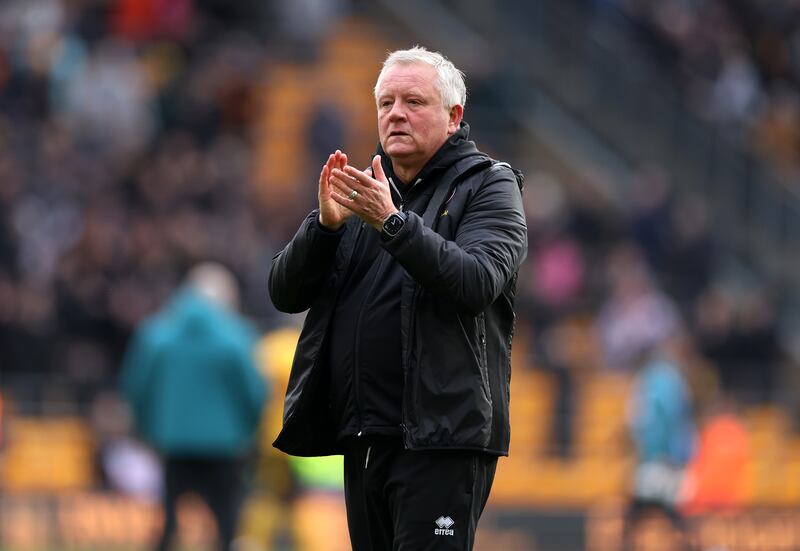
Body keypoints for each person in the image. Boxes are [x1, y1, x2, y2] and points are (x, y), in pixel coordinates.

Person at [268, 46, 527, 551]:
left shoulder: (489, 185)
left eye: (413, 102)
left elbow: (477, 281)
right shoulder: (364, 192)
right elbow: (284, 293)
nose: (395, 114)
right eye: (386, 103)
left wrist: (392, 223)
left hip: (441, 440)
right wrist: (323, 228)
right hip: (364, 437)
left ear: (453, 116)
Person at [120, 262, 267, 551]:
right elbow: (254, 393)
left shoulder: (156, 333)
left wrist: (147, 428)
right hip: (226, 444)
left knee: (168, 523)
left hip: (172, 441)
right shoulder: (237, 336)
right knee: (227, 526)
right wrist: (248, 431)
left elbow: (136, 386)